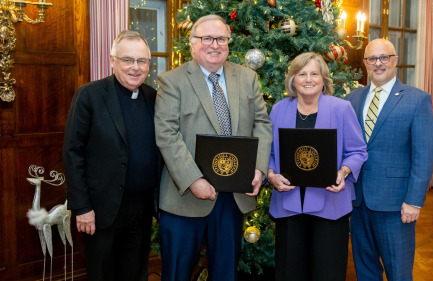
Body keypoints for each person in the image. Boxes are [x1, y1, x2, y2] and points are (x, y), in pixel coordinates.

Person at [154, 15, 273, 281]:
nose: (215, 45)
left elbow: (262, 124)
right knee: (177, 274)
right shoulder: (172, 81)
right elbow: (167, 134)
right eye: (207, 38)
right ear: (193, 44)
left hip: (233, 197)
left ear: (229, 43)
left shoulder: (247, 77)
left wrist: (259, 168)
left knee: (225, 273)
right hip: (184, 198)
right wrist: (193, 179)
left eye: (221, 39)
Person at [63, 30, 161, 281]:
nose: (135, 68)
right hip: (101, 210)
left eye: (142, 61)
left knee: (136, 273)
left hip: (141, 209)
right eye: (128, 59)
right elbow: (73, 153)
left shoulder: (153, 97)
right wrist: (82, 207)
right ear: (112, 60)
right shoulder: (89, 95)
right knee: (103, 275)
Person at [267, 52, 368, 281]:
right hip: (288, 205)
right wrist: (271, 174)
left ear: (324, 78)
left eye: (314, 73)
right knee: (289, 272)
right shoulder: (279, 109)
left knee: (328, 272)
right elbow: (269, 153)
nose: (308, 79)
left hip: (330, 205)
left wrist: (343, 172)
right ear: (293, 79)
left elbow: (358, 151)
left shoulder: (341, 109)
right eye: (302, 74)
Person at [344, 39, 433, 280]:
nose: (378, 63)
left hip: (396, 205)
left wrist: (414, 201)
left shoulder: (417, 100)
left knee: (399, 272)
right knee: (365, 270)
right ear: (365, 63)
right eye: (372, 59)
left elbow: (424, 155)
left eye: (384, 57)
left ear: (395, 60)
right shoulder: (351, 100)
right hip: (357, 200)